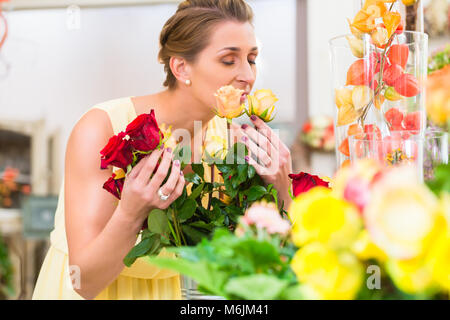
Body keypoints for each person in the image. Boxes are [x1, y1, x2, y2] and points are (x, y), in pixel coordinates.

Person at [32, 0, 293, 300]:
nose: (248, 75)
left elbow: (264, 266)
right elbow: (85, 280)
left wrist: (281, 191)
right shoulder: (101, 128)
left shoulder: (234, 144)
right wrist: (130, 214)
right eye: (228, 60)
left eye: (252, 58)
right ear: (181, 67)